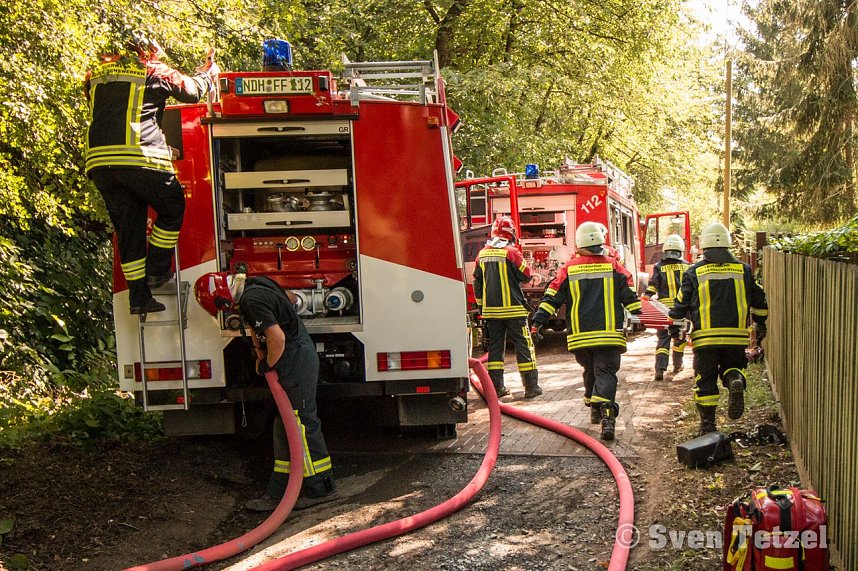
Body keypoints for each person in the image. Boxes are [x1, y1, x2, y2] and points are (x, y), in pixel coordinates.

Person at [85, 29, 218, 314]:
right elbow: (191, 91)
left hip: (100, 164)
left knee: (129, 229)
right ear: (145, 50)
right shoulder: (153, 70)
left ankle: (139, 298)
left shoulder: (96, 73)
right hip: (140, 157)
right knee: (172, 207)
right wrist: (208, 75)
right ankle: (157, 270)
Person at [194, 272, 338, 511]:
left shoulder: (251, 300)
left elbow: (277, 338)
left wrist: (267, 363)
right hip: (295, 354)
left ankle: (322, 488)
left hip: (294, 358)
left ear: (222, 299)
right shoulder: (256, 283)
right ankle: (280, 489)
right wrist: (260, 354)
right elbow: (289, 300)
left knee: (301, 424)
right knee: (284, 425)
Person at [531, 222, 643, 441]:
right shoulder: (614, 266)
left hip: (580, 337)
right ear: (601, 242)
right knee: (606, 372)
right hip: (609, 335)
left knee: (591, 370)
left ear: (580, 243)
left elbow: (552, 298)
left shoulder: (569, 268)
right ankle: (607, 417)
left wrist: (537, 322)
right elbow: (630, 297)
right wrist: (640, 315)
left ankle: (593, 407)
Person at [668, 222, 768, 435]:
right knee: (732, 367)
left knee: (705, 381)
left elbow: (680, 305)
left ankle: (708, 425)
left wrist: (675, 330)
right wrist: (760, 323)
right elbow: (759, 299)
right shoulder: (744, 270)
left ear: (704, 247)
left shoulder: (694, 272)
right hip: (736, 338)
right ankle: (734, 379)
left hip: (705, 340)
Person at [473, 215, 542, 398]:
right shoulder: (512, 253)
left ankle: (497, 388)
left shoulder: (482, 254)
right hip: (514, 311)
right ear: (511, 233)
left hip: (491, 313)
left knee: (495, 349)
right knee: (524, 346)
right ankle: (531, 387)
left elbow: (477, 283)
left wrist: (481, 306)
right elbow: (526, 275)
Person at [641, 234, 691, 380]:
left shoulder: (659, 266)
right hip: (683, 310)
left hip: (663, 311)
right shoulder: (688, 266)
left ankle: (660, 369)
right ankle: (677, 365)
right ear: (680, 250)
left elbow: (653, 285)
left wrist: (646, 296)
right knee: (680, 337)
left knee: (663, 338)